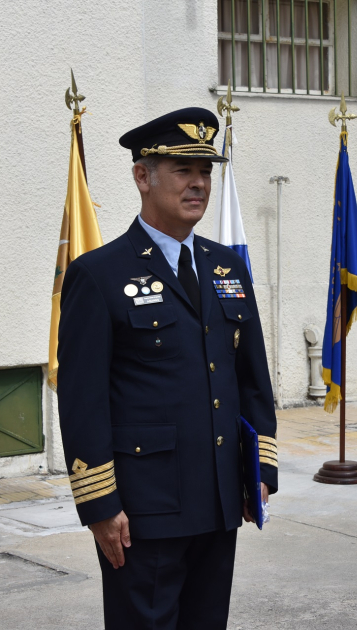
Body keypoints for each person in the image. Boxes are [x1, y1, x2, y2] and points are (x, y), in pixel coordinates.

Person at [56, 107, 278, 629]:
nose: (198, 184)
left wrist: (259, 469)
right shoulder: (100, 273)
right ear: (142, 176)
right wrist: (100, 505)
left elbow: (252, 378)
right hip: (144, 510)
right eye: (183, 171)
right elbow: (82, 399)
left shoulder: (227, 265)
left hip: (221, 498)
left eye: (206, 171)